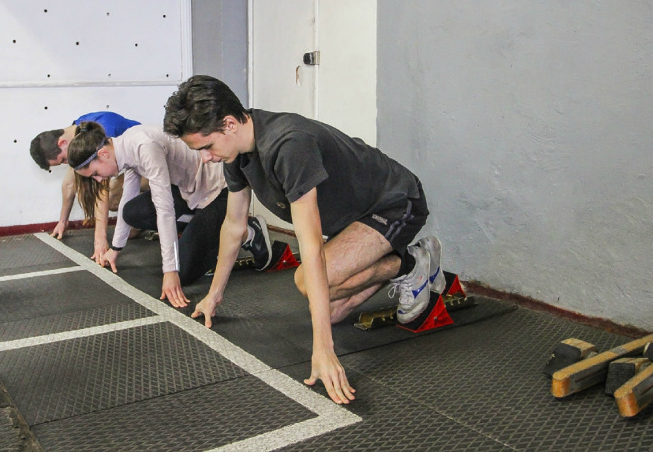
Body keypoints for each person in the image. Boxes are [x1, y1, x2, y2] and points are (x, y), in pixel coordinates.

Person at [163, 75, 444, 405]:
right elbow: (234, 226)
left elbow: (310, 246)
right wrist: (214, 296)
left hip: (395, 203)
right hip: (355, 219)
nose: (204, 158)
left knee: (309, 283)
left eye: (206, 147)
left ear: (229, 124)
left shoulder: (288, 145)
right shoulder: (236, 153)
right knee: (332, 311)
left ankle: (411, 264)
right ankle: (400, 262)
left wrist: (324, 349)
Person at [67, 121, 275, 307]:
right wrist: (115, 248)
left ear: (103, 154)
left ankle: (248, 231)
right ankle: (203, 229)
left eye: (95, 174)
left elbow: (164, 209)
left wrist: (170, 270)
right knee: (132, 211)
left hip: (218, 191)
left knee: (181, 271)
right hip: (191, 192)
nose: (98, 180)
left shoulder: (144, 146)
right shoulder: (124, 151)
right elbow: (126, 200)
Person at [29, 111, 142, 265]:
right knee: (130, 231)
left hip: (150, 166)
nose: (66, 163)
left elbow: (102, 190)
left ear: (62, 143)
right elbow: (69, 183)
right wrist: (63, 221)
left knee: (112, 199)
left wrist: (100, 240)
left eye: (63, 160)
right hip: (133, 169)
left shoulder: (100, 130)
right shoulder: (77, 129)